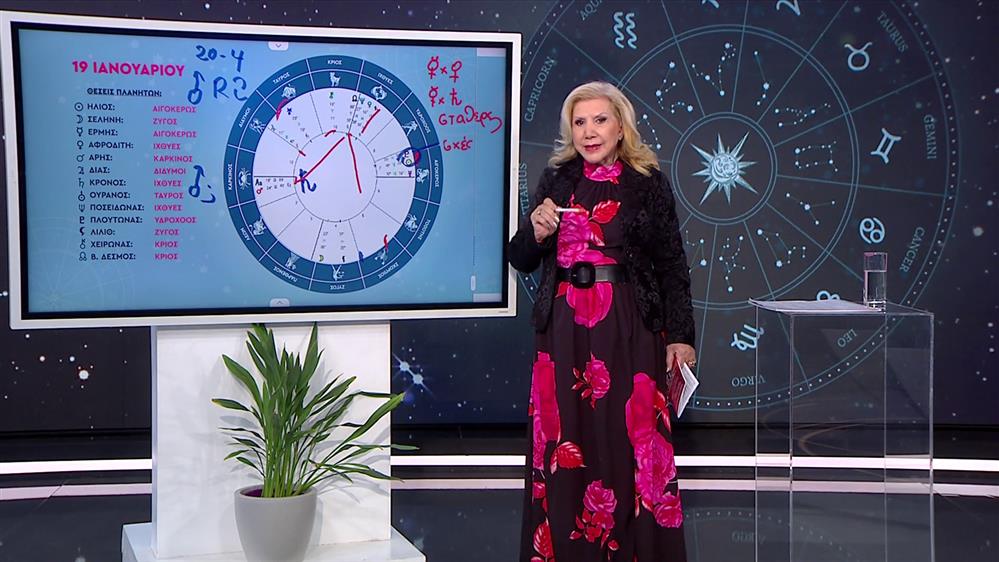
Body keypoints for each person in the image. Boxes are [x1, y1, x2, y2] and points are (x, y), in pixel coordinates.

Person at [509, 81, 695, 562]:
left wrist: (681, 337)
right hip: (563, 329)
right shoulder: (556, 180)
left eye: (599, 120)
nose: (589, 132)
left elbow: (672, 264)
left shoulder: (647, 182)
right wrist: (537, 231)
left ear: (620, 127)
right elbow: (520, 257)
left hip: (628, 326)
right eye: (579, 122)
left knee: (625, 439)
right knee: (567, 439)